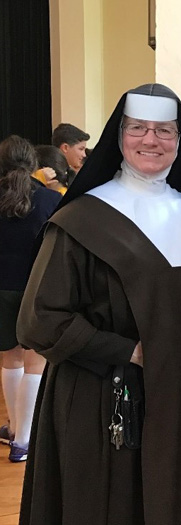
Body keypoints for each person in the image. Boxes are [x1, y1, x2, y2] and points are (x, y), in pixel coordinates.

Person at [15, 84, 181, 525]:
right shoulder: (83, 218)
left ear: (180, 139)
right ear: (119, 135)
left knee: (177, 510)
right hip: (101, 397)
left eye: (164, 131)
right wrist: (127, 350)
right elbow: (38, 320)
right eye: (138, 129)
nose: (151, 140)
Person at [0, 136, 60, 463]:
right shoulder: (51, 199)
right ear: (35, 164)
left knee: (10, 360)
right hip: (36, 288)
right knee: (35, 362)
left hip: (1, 288)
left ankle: (13, 429)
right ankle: (23, 440)